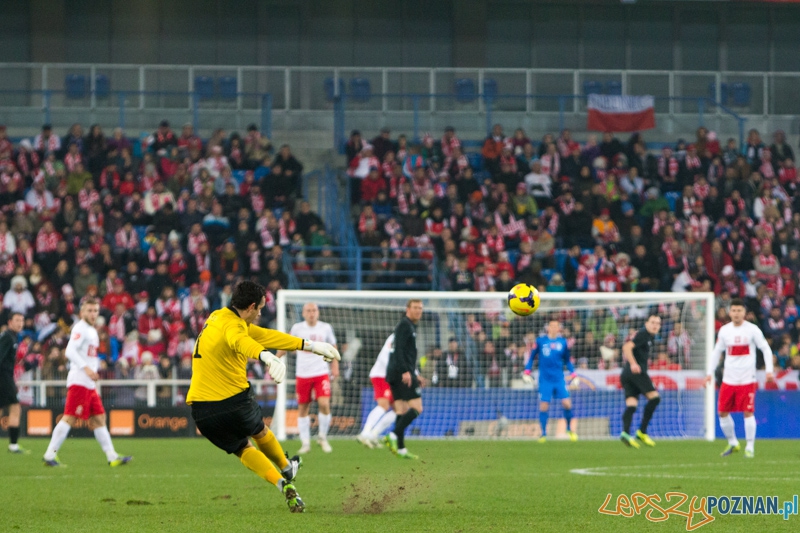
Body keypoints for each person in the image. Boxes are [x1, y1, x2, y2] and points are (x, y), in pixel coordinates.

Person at [186, 281, 340, 513]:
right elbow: (240, 341)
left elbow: (264, 335)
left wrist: (309, 345)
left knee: (242, 448)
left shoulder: (217, 317)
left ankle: (282, 483)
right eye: (259, 308)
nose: (260, 313)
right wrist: (267, 357)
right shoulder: (234, 327)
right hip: (233, 402)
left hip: (201, 412)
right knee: (259, 431)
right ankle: (286, 467)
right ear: (250, 306)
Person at [42, 298, 132, 467]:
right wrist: (87, 369)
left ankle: (112, 456)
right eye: (89, 310)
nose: (93, 314)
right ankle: (49, 455)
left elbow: (87, 354)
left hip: (88, 384)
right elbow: (70, 351)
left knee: (99, 418)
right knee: (69, 417)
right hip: (79, 381)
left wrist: (92, 369)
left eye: (95, 311)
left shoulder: (91, 330)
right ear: (82, 312)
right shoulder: (80, 328)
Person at [705, 298, 774, 458]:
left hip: (747, 378)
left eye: (739, 310)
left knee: (748, 412)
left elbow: (765, 348)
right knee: (722, 412)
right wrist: (709, 372)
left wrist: (769, 370)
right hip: (729, 379)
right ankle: (733, 442)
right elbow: (716, 352)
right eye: (734, 310)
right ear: (730, 312)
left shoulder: (752, 330)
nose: (736, 313)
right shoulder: (724, 331)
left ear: (744, 313)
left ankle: (750, 447)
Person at [279, 303, 338, 454]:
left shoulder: (326, 328)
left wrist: (335, 366)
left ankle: (322, 437)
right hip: (303, 374)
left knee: (324, 403)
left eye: (314, 310)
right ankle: (305, 443)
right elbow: (287, 344)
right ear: (303, 313)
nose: (311, 313)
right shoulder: (297, 328)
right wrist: (275, 358)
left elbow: (333, 347)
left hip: (321, 372)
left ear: (318, 312)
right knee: (303, 408)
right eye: (308, 311)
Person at [522, 320, 578, 443]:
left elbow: (567, 360)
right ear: (548, 328)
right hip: (545, 380)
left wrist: (573, 373)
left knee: (567, 404)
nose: (553, 328)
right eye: (551, 326)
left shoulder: (563, 342)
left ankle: (569, 429)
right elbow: (532, 357)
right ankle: (543, 433)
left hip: (559, 379)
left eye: (555, 326)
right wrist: (527, 370)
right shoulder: (540, 341)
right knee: (544, 405)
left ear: (558, 329)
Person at [383, 299, 425, 459]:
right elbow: (398, 350)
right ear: (408, 309)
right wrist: (406, 372)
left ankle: (400, 449)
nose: (418, 311)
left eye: (420, 308)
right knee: (417, 408)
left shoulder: (409, 325)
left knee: (401, 410)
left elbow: (405, 353)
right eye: (415, 307)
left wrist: (414, 373)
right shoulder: (405, 325)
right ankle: (393, 435)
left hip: (395, 373)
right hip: (401, 373)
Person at [619, 314, 662, 448]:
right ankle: (642, 432)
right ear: (646, 323)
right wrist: (634, 364)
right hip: (636, 373)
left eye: (658, 323)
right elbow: (626, 347)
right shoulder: (644, 334)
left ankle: (626, 433)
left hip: (626, 374)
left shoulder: (649, 337)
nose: (655, 325)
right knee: (655, 398)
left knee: (631, 405)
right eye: (652, 322)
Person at [356, 334, 397, 448]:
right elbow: (383, 357)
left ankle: (373, 435)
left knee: (399, 409)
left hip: (392, 378)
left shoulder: (410, 338)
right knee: (384, 405)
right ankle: (365, 433)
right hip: (381, 375)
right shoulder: (396, 337)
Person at [0, 313, 28, 454]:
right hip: (3, 378)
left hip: (5, 377)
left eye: (22, 320)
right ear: (10, 322)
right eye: (17, 320)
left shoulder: (11, 337)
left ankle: (13, 445)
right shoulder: (7, 337)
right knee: (15, 408)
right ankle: (13, 445)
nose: (20, 323)